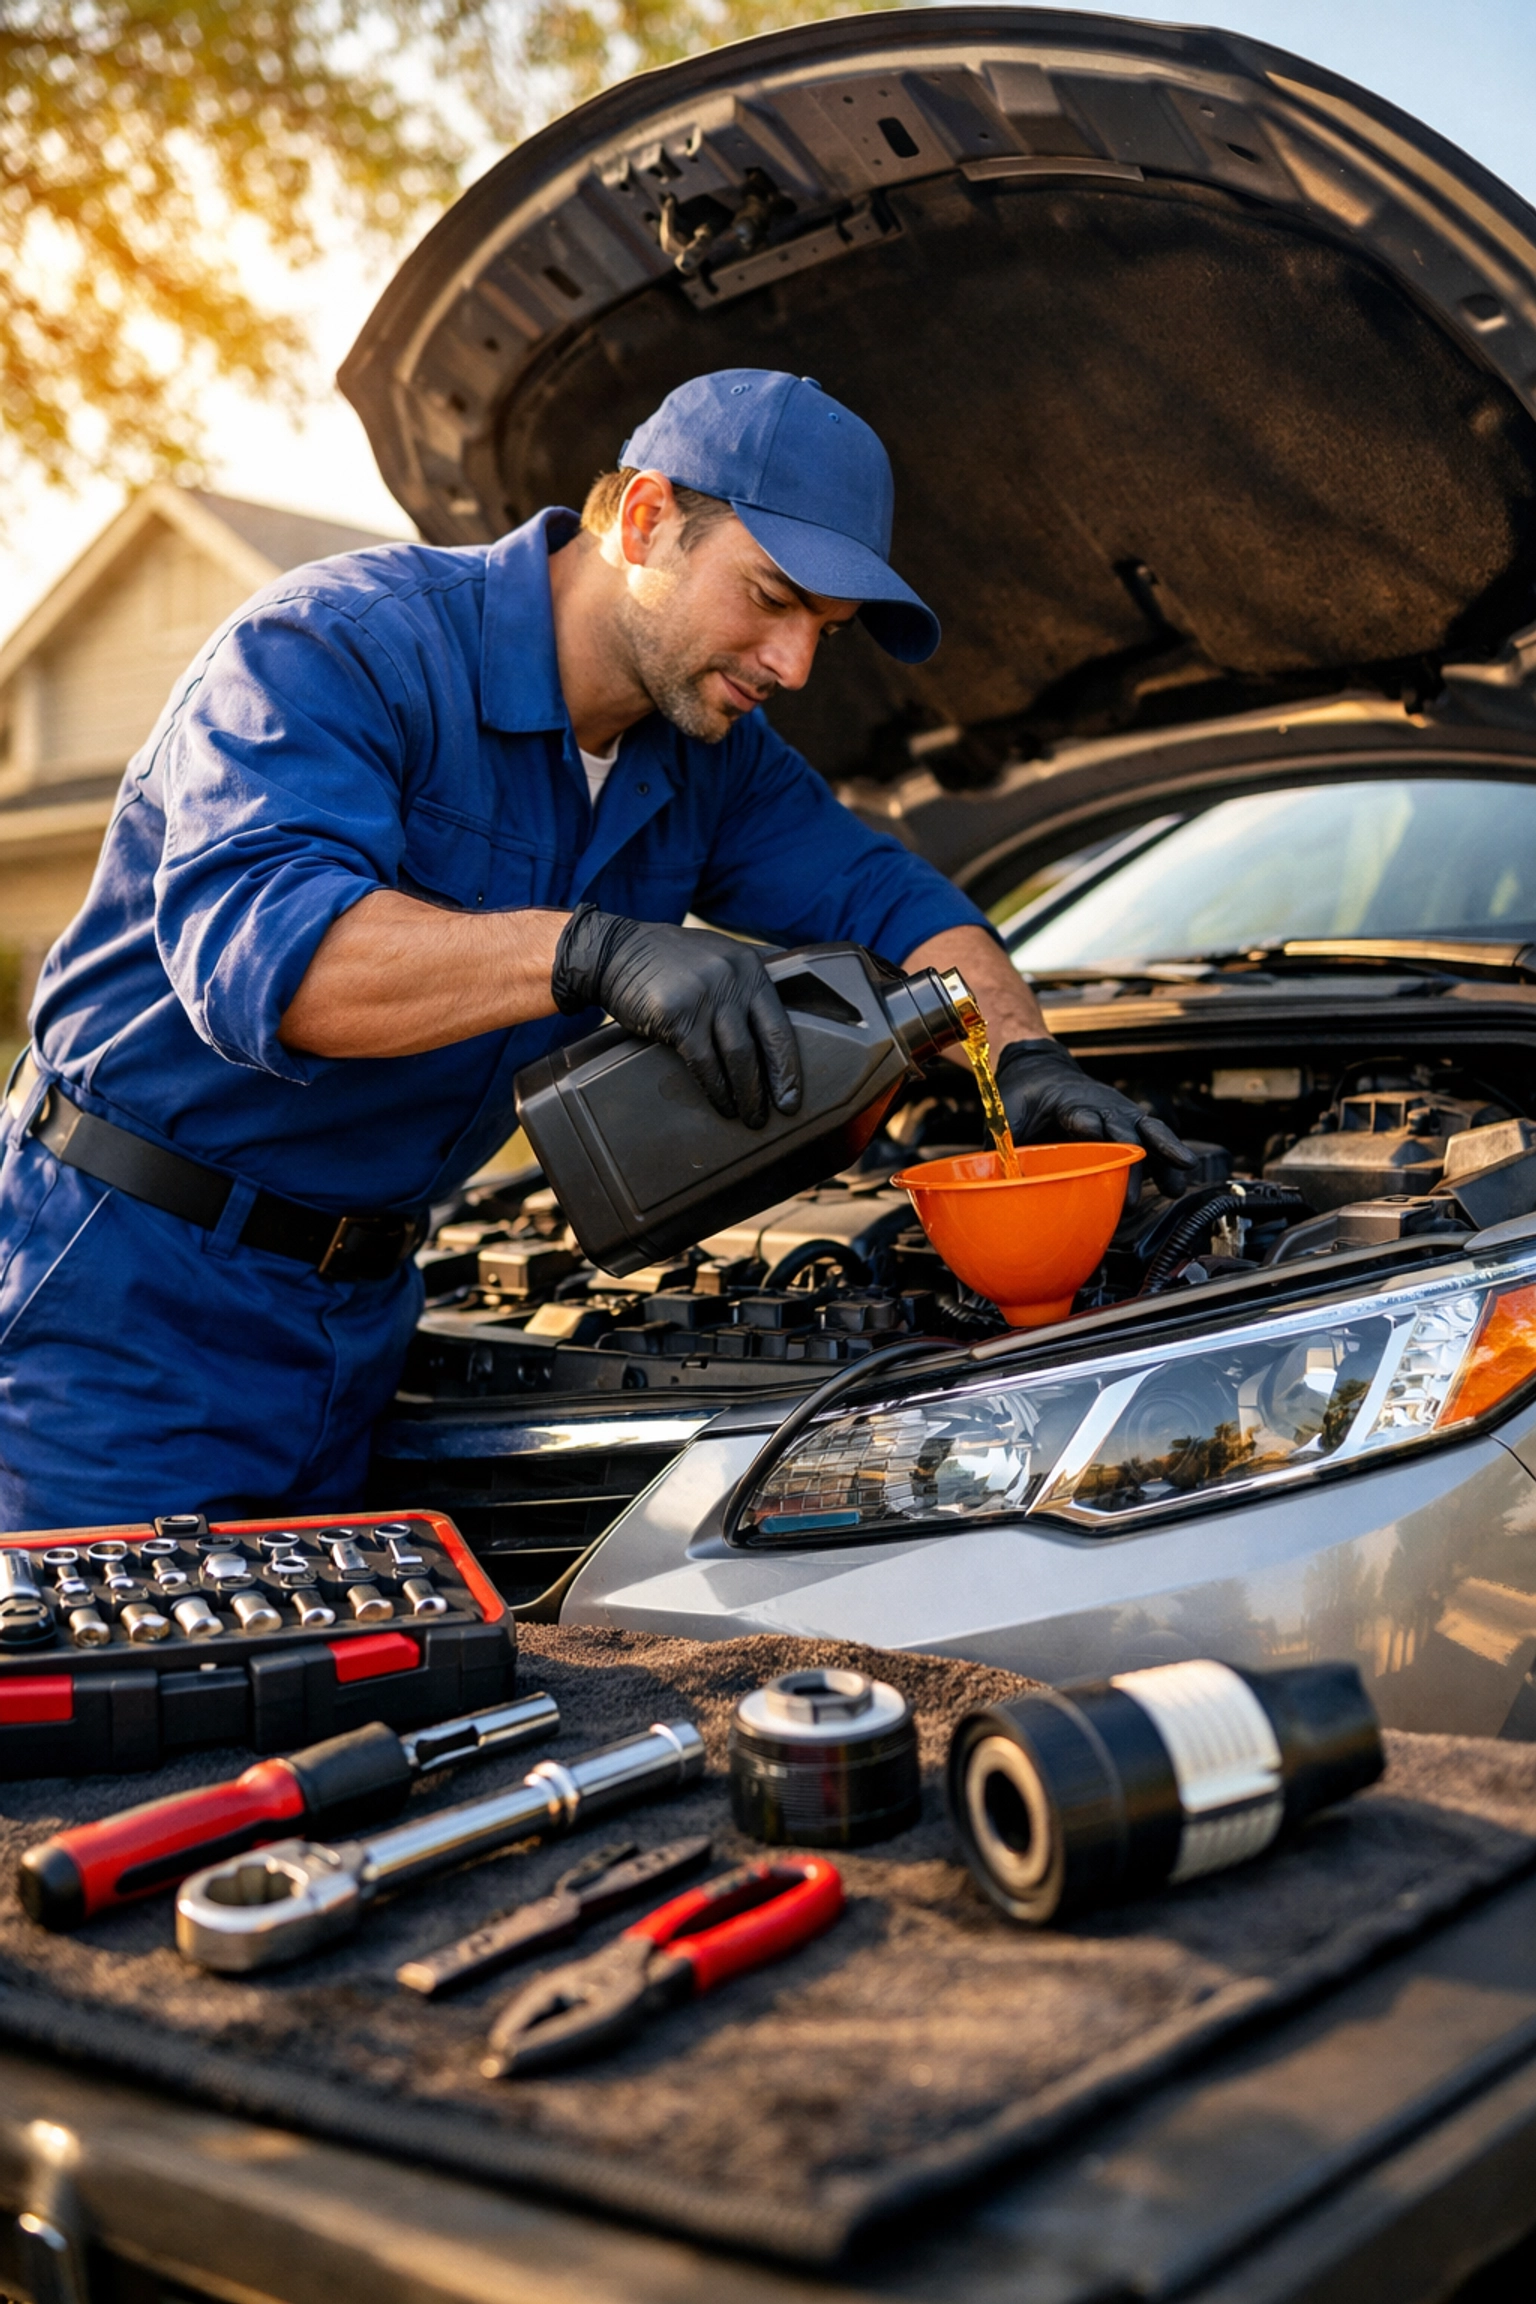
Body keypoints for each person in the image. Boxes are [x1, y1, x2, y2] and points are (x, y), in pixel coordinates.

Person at [0, 369, 1188, 1530]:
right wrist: (591, 952)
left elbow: (898, 901)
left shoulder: (709, 760)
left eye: (822, 631)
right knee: (105, 1662)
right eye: (771, 598)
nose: (793, 666)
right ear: (645, 518)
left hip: (364, 1319)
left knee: (340, 1661)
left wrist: (1020, 1056)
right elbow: (278, 962)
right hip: (124, 1295)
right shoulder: (338, 648)